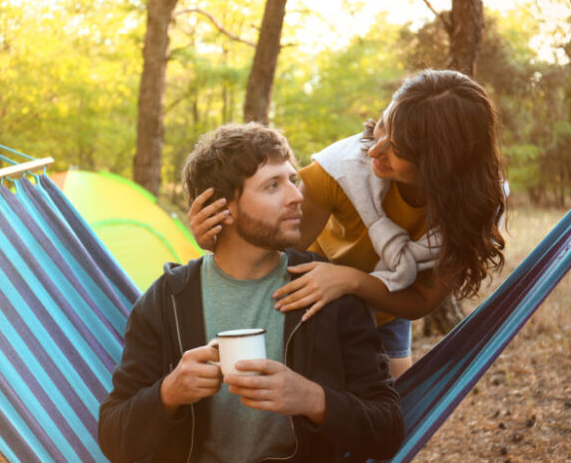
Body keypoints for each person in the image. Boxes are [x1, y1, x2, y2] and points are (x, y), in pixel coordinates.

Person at [98, 123, 404, 463]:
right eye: (273, 185)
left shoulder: (327, 288)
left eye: (291, 179)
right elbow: (115, 440)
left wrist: (314, 400)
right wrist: (168, 393)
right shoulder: (168, 301)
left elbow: (387, 430)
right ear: (222, 209)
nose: (296, 195)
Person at [188, 69, 507, 378]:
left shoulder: (475, 207)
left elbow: (421, 300)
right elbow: (272, 255)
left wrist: (351, 281)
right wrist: (219, 243)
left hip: (388, 307)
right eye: (383, 127)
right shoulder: (340, 170)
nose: (376, 151)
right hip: (309, 292)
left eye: (399, 150)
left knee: (397, 414)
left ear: (442, 166)